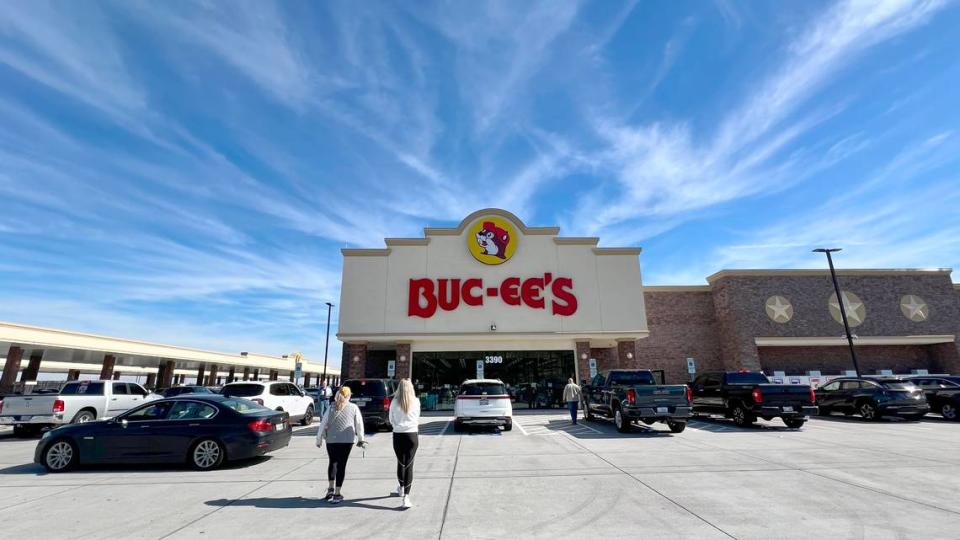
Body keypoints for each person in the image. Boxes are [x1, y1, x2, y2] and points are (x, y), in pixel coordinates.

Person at [315, 385, 366, 504]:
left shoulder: (331, 406)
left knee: (332, 462)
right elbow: (359, 424)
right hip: (347, 440)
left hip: (331, 439)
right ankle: (337, 493)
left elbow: (323, 423)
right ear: (348, 396)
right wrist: (361, 439)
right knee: (342, 465)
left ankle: (330, 489)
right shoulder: (353, 407)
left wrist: (318, 439)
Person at [389, 379, 420, 509]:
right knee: (409, 465)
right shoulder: (416, 401)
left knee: (400, 462)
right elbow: (418, 417)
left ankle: (401, 488)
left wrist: (397, 426)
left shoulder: (394, 402)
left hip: (398, 434)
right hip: (412, 435)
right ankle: (406, 497)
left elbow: (391, 419)